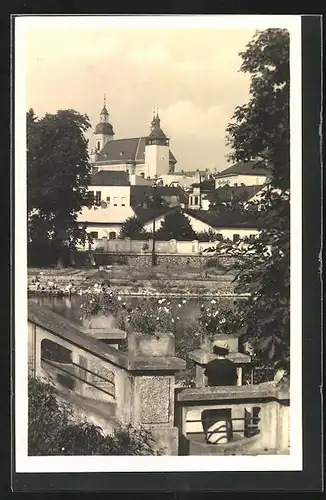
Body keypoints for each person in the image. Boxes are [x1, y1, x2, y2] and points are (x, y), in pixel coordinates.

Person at [201, 339, 237, 444]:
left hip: (213, 397)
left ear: (215, 350)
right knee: (227, 413)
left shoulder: (210, 364)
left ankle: (209, 435)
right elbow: (234, 381)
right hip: (227, 397)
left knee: (204, 413)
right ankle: (228, 435)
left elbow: (206, 382)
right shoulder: (231, 365)